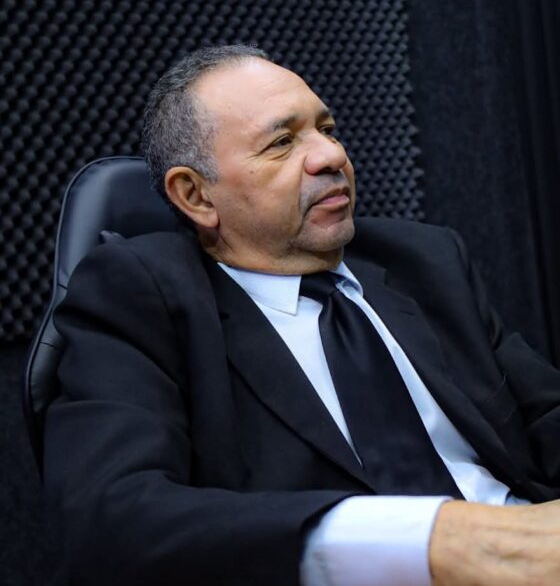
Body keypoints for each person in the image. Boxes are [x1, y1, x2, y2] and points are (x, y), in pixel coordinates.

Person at [44, 44, 560, 586]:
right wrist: (438, 539)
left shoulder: (427, 261)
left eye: (327, 129)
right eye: (282, 142)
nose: (331, 156)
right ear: (196, 196)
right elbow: (111, 519)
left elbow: (545, 415)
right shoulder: (138, 297)